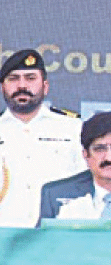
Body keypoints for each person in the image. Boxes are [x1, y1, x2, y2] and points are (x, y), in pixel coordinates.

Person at [0, 49, 85, 228]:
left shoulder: (73, 128)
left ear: (45, 86)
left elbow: (87, 184)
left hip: (57, 235)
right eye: (13, 79)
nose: (21, 86)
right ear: (2, 87)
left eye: (30, 78)